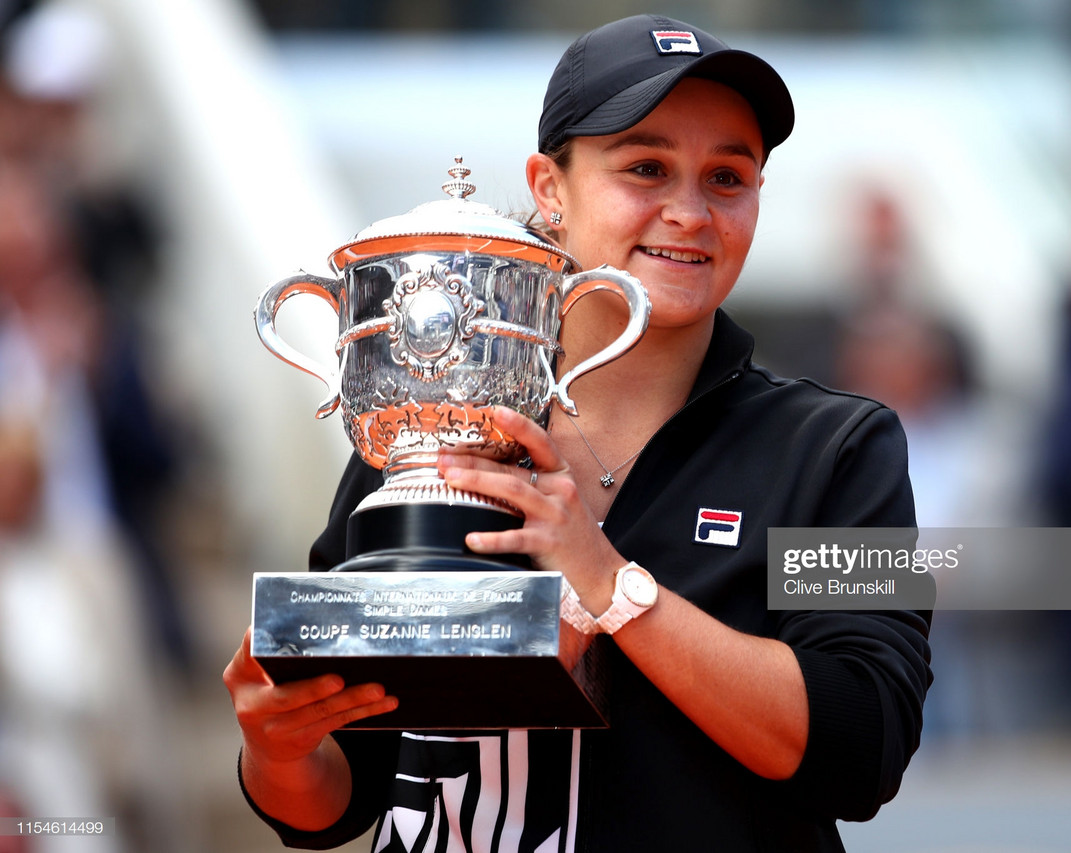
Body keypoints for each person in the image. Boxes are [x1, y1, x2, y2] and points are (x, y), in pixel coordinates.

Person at [224, 14, 932, 852]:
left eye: (728, 178)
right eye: (646, 167)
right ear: (549, 189)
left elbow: (863, 745)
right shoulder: (431, 425)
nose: (690, 212)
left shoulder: (841, 447)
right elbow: (338, 797)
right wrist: (276, 747)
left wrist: (612, 586)